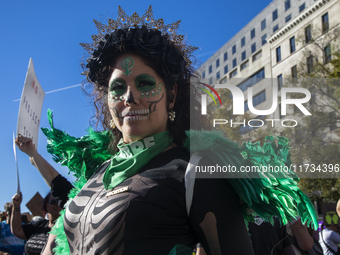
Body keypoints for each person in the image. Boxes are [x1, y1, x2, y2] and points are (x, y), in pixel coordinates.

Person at [25, 6, 318, 255]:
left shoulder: (195, 172)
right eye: (118, 87)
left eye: (145, 83)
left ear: (173, 95)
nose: (130, 97)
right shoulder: (99, 172)